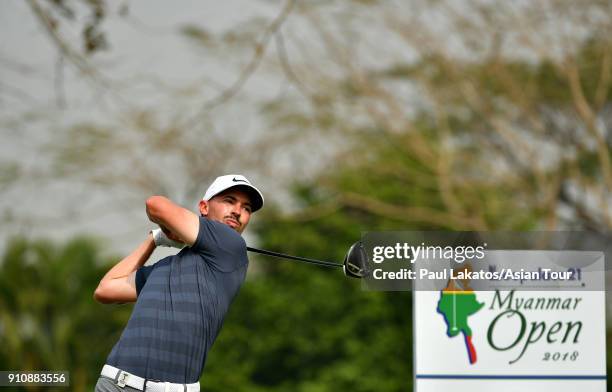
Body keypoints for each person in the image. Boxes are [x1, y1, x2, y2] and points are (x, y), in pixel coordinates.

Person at [93, 174, 264, 392]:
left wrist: (169, 229)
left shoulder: (231, 246)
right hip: (116, 384)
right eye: (229, 201)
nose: (238, 212)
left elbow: (156, 206)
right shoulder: (165, 267)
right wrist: (153, 241)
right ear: (203, 207)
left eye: (246, 208)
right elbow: (106, 289)